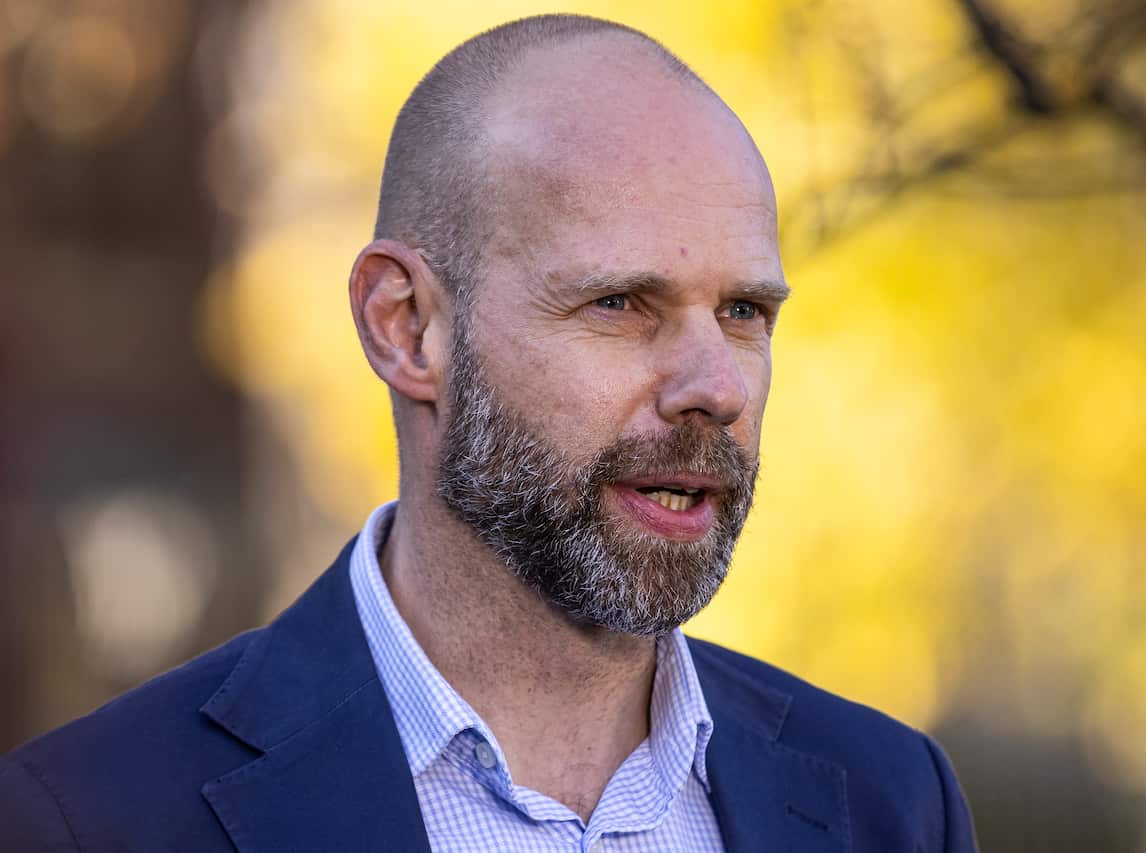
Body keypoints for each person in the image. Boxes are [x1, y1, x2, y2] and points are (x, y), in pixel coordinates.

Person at [0, 14, 977, 852]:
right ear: (406, 327)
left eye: (744, 314)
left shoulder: (886, 801)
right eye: (620, 303)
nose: (714, 387)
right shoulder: (93, 818)